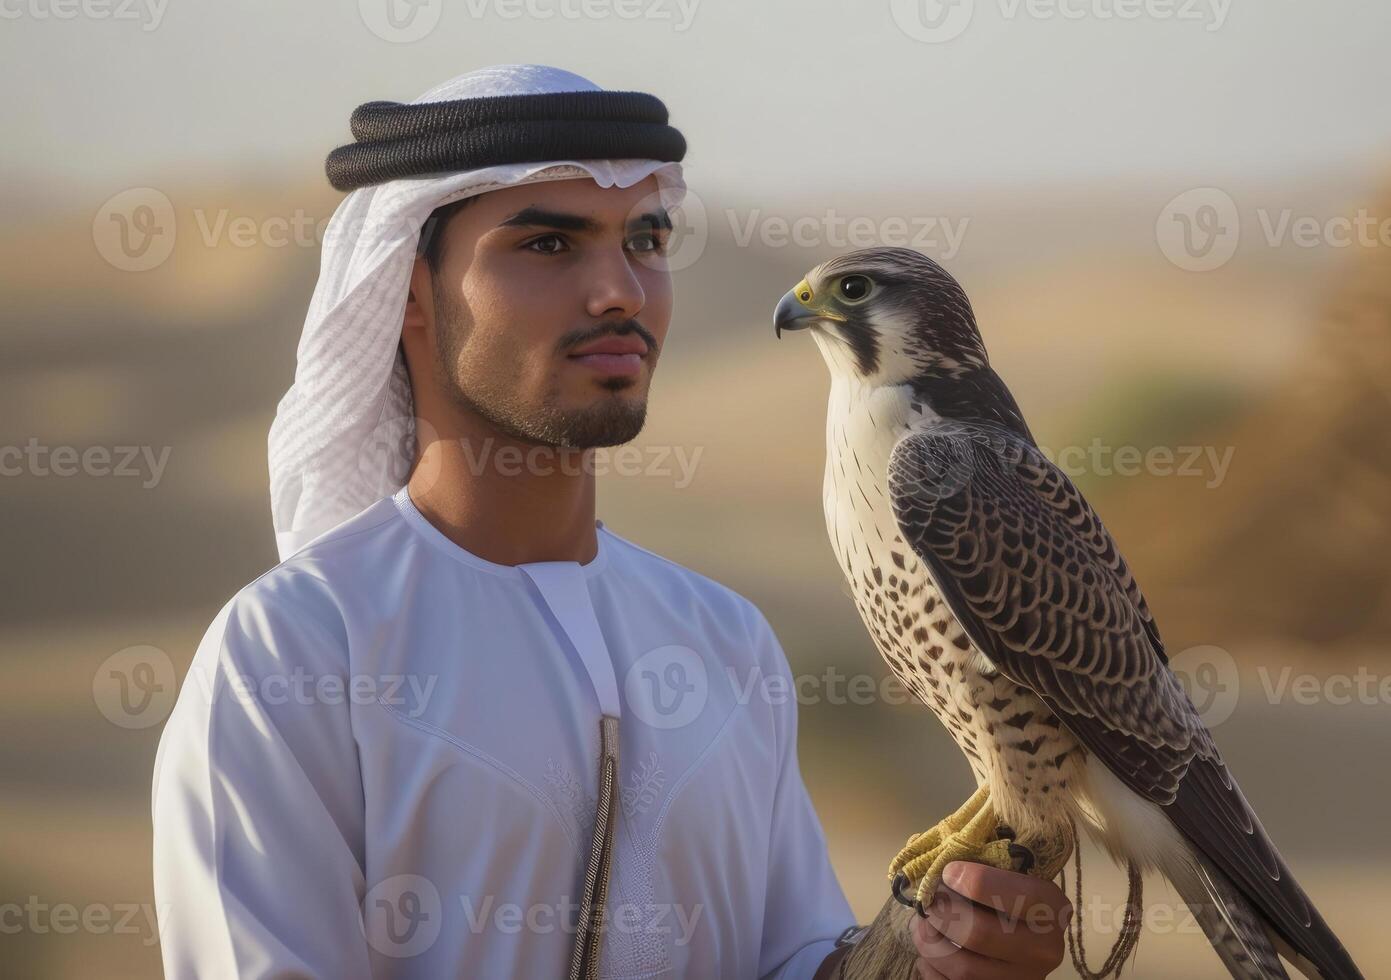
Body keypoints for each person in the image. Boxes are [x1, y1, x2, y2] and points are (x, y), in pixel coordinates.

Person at [151, 63, 1069, 979]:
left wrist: (928, 961)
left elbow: (794, 961)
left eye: (644, 239)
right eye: (549, 247)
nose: (620, 290)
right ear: (408, 294)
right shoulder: (295, 653)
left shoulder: (722, 639)